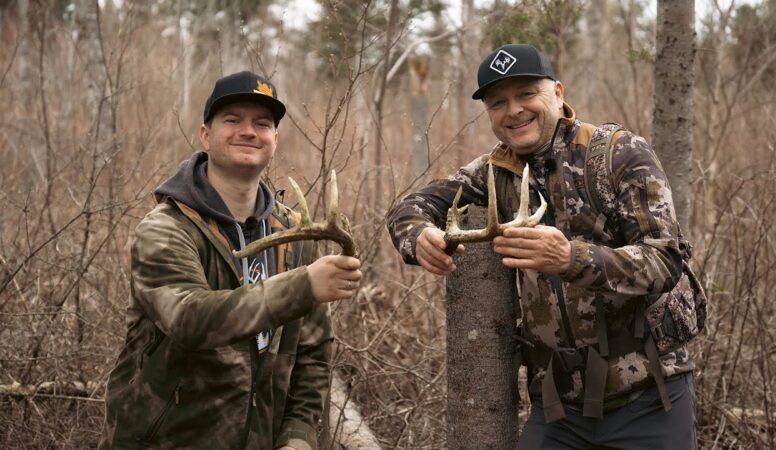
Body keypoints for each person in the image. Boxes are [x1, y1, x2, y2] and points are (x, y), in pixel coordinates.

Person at [386, 44, 698, 448]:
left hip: (649, 397)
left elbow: (664, 259)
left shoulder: (617, 154)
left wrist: (571, 257)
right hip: (559, 408)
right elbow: (410, 207)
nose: (513, 110)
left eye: (526, 94)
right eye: (498, 102)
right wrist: (418, 237)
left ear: (558, 92)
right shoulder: (495, 173)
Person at [100, 71, 362, 449]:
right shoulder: (166, 229)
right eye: (233, 119)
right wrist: (302, 286)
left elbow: (313, 352)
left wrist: (299, 435)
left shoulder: (295, 235)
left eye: (263, 123)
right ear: (205, 135)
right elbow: (190, 319)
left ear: (274, 139)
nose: (249, 131)